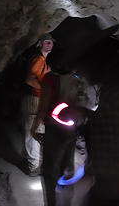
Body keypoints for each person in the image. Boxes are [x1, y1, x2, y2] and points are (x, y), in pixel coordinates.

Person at [31, 69, 91, 206]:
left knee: (49, 170)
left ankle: (52, 203)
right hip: (72, 129)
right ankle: (66, 202)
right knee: (66, 167)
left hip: (55, 128)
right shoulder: (78, 79)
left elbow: (43, 106)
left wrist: (34, 128)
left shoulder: (50, 78)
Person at [21, 33, 54, 176]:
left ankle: (32, 162)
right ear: (40, 44)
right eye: (46, 42)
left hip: (37, 99)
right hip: (34, 99)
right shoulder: (38, 59)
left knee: (35, 130)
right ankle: (32, 165)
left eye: (51, 43)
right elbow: (29, 79)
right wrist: (44, 90)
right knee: (33, 131)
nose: (50, 45)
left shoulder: (43, 61)